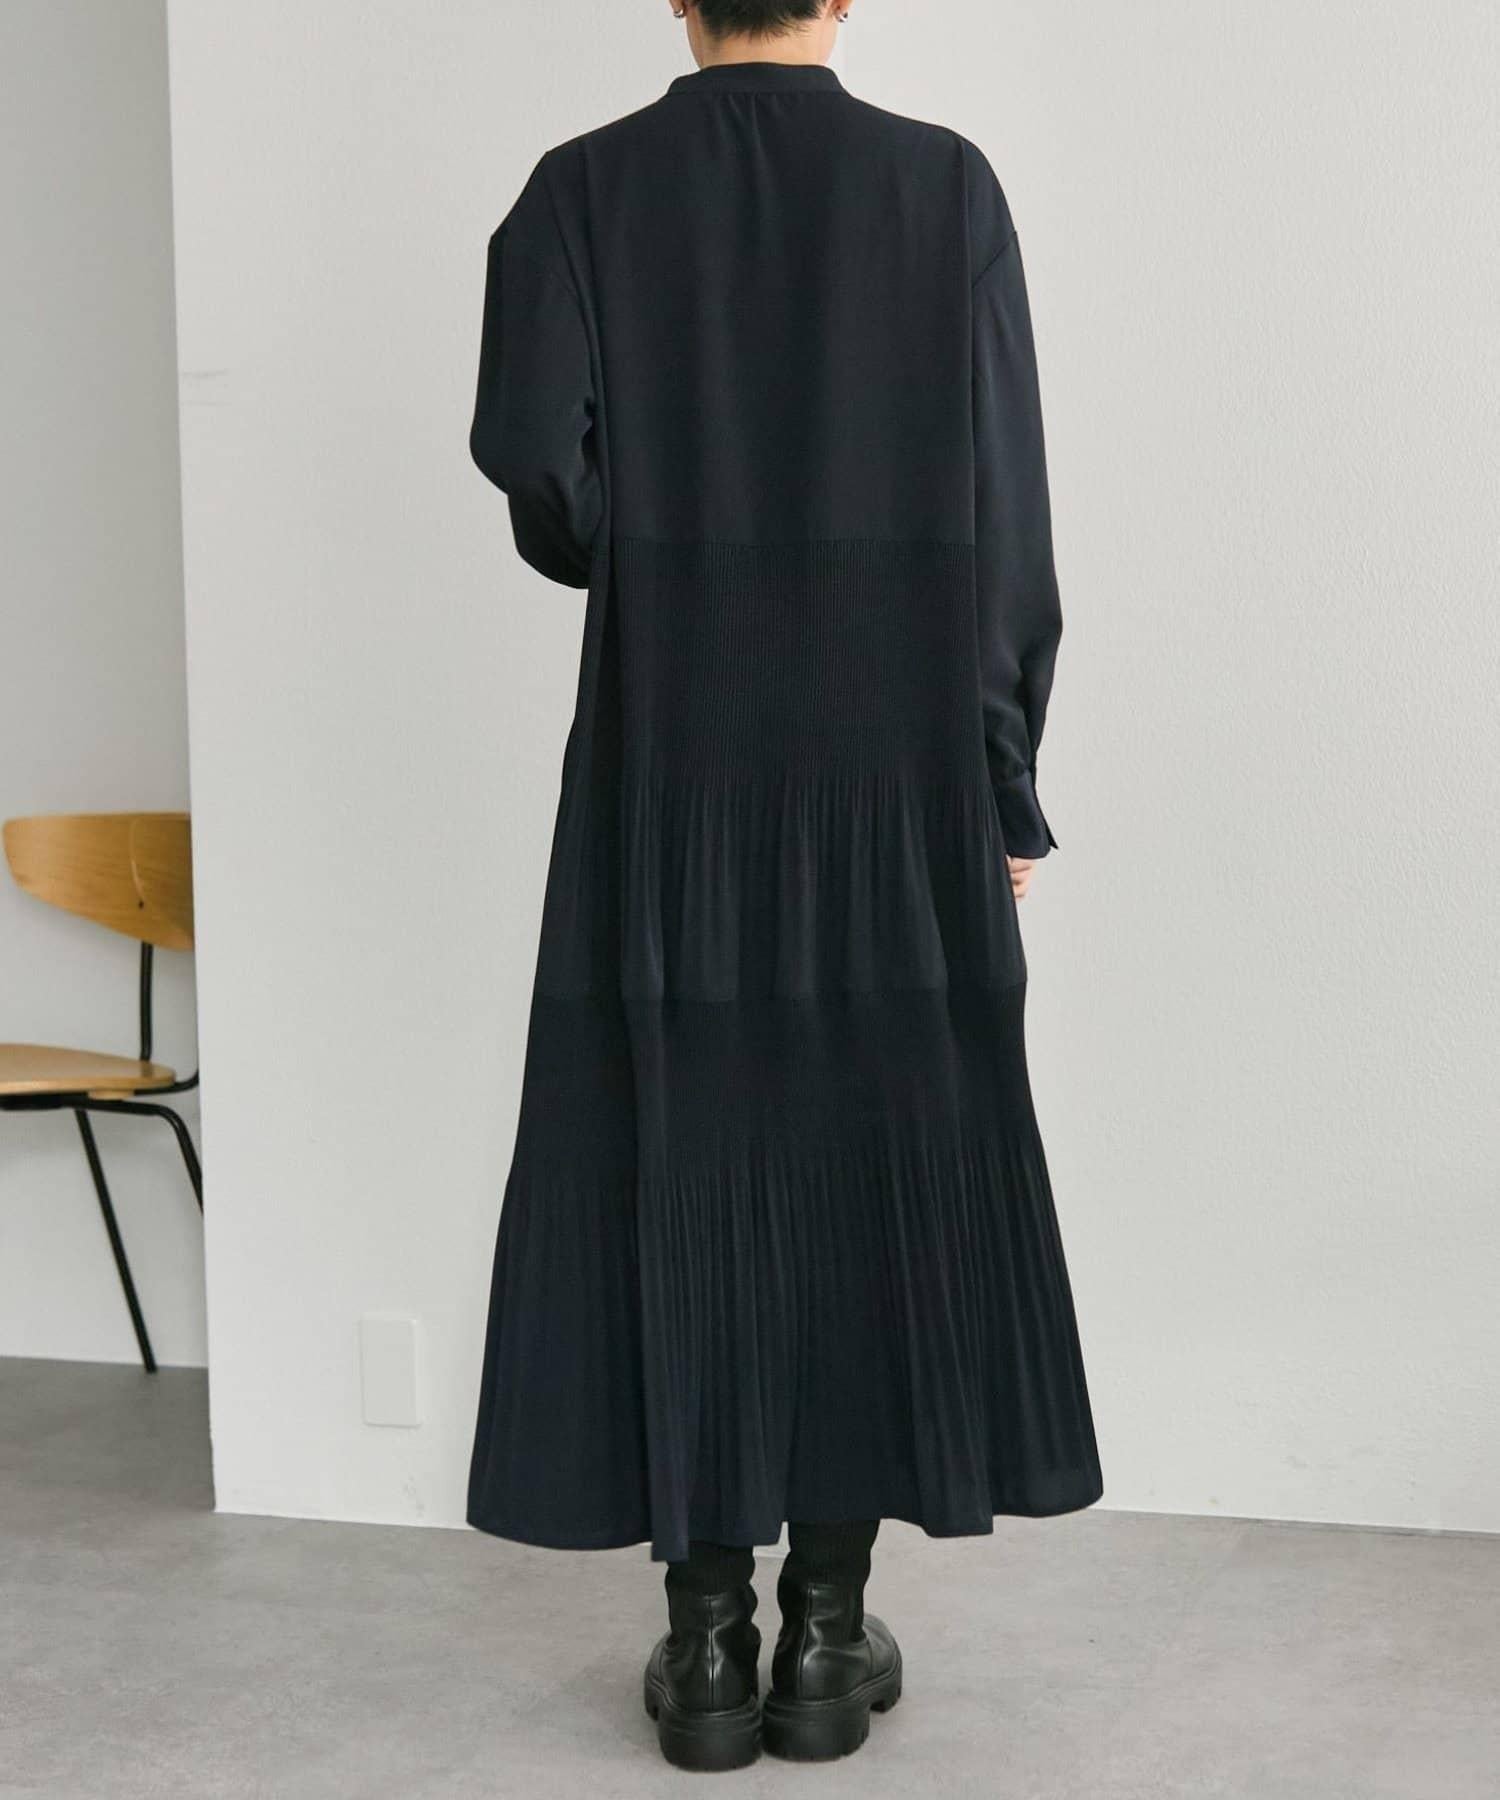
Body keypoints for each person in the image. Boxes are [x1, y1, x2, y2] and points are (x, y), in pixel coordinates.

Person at [466, 0, 1102, 1771]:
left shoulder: (579, 191)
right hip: (893, 775)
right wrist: (1004, 783)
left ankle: (703, 1642)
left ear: (679, 1)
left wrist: (642, 541)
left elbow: (532, 450)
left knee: (669, 1151)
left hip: (667, 767)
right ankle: (826, 1633)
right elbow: (1005, 513)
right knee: (870, 1161)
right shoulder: (945, 190)